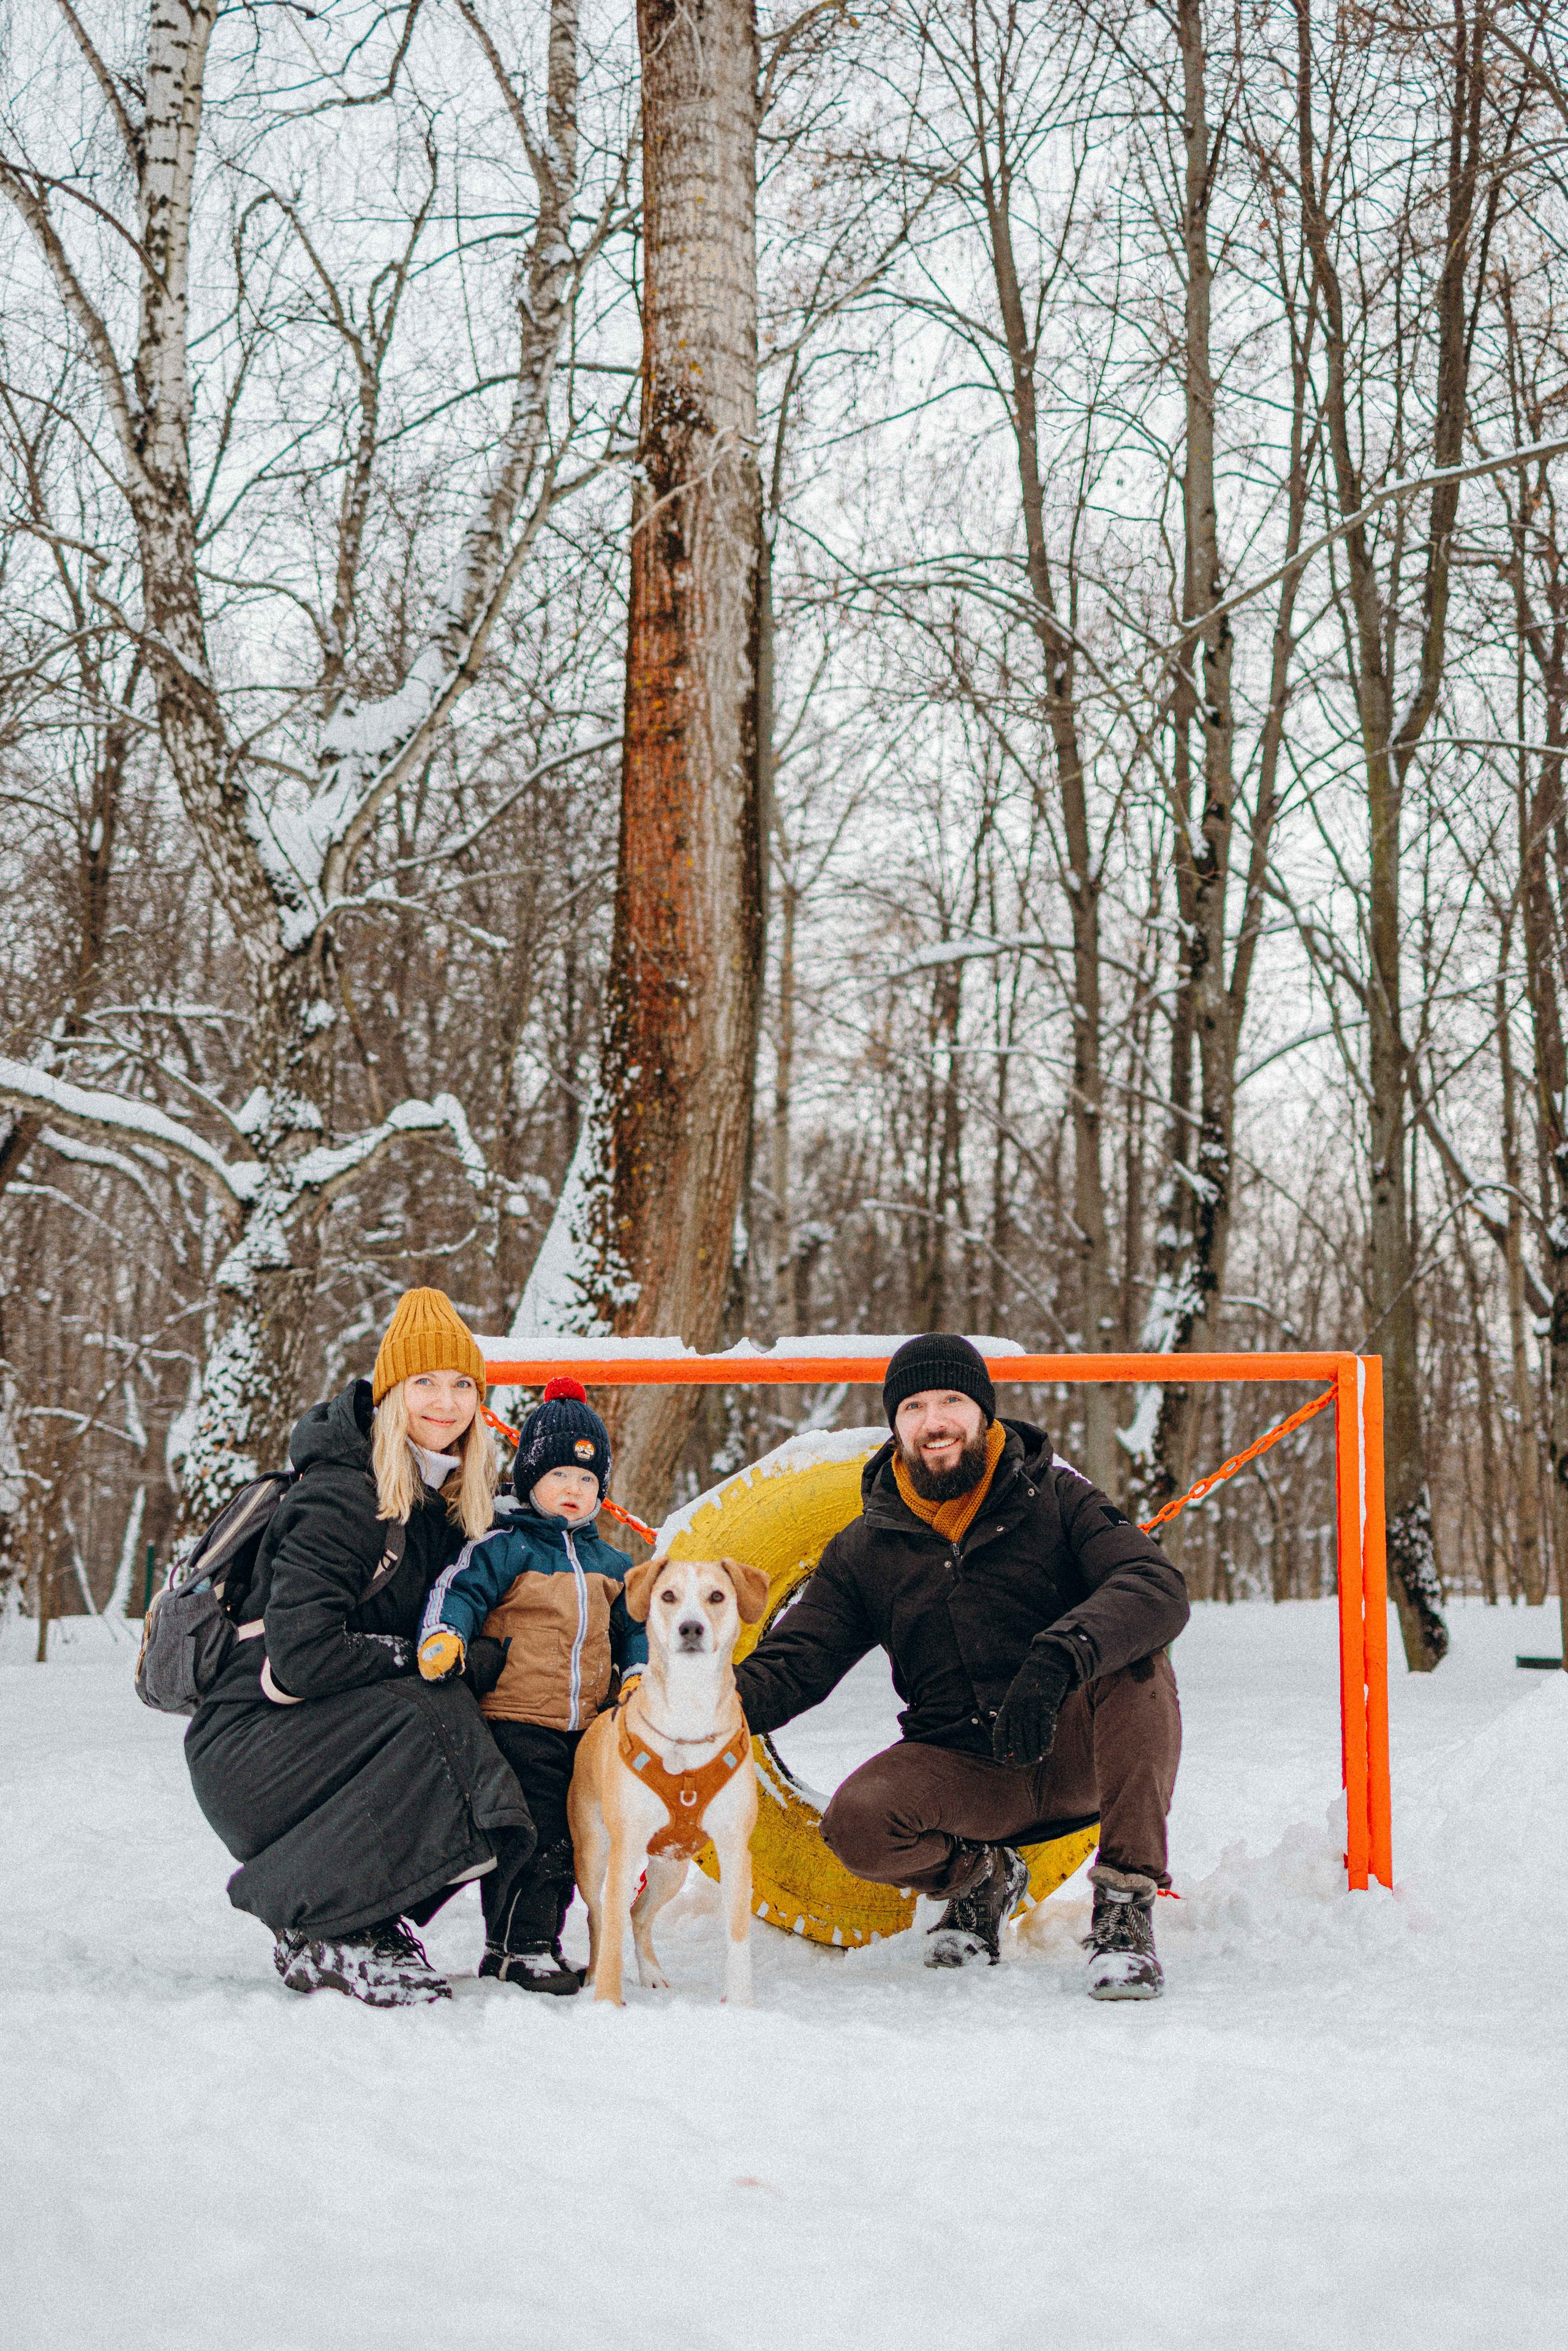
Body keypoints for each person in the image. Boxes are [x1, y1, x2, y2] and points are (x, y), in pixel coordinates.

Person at [733, 1332, 1189, 1996]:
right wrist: (687, 1701)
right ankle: (980, 1880)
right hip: (965, 1769)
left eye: (952, 1400)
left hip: (1074, 1753)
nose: (934, 1421)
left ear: (984, 1412)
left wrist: (1058, 1658)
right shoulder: (864, 1548)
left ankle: (1124, 1910)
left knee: (1137, 1661)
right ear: (895, 1425)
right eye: (913, 1406)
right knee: (856, 1824)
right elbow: (795, 1662)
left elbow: (1154, 1585)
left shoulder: (1057, 1500)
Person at [184, 1287, 538, 2007]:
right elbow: (303, 1656)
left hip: (311, 1741)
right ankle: (322, 1926)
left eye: (463, 1384)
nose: (446, 1401)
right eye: (425, 1383)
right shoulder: (346, 1497)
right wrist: (425, 1659)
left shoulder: (440, 1498)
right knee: (432, 1711)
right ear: (390, 1392)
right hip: (250, 1748)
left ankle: (370, 1920)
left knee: (469, 1714)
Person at [415, 1376, 646, 1994]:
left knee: (573, 1840)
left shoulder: (611, 1565)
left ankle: (536, 1941)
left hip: (586, 1732)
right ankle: (518, 1947)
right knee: (535, 1834)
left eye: (587, 1482)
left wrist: (641, 1672)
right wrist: (446, 1636)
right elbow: (457, 1590)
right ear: (529, 1478)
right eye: (560, 1478)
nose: (573, 1491)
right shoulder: (503, 1545)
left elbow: (636, 1628)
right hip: (516, 1722)